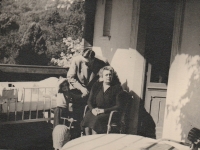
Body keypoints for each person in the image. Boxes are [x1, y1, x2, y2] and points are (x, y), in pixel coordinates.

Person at [67, 47, 109, 137]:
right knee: (78, 116)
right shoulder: (76, 60)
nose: (86, 64)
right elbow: (70, 77)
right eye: (84, 62)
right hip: (77, 90)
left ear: (93, 59)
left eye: (87, 62)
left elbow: (104, 78)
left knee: (89, 114)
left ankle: (88, 136)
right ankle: (77, 136)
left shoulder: (101, 63)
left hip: (91, 92)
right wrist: (81, 88)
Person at [81, 66, 123, 135]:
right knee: (87, 117)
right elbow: (89, 101)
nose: (108, 76)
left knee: (96, 120)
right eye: (106, 75)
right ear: (102, 76)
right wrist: (92, 110)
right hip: (96, 110)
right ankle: (87, 140)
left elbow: (118, 106)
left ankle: (95, 141)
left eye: (110, 74)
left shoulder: (117, 88)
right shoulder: (96, 85)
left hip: (108, 112)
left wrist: (103, 110)